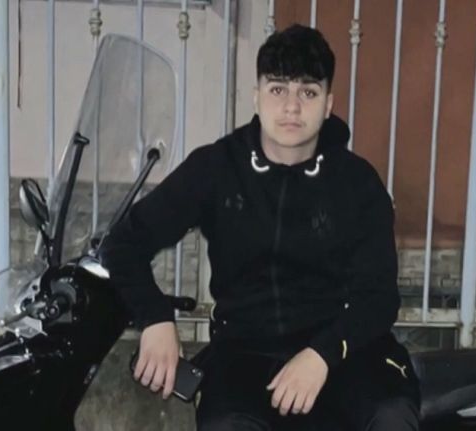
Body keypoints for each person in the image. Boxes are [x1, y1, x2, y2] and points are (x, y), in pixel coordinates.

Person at [101, 24, 421, 431]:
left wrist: (320, 356)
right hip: (245, 351)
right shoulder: (217, 168)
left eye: (308, 92)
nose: (292, 107)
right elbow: (123, 244)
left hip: (343, 351)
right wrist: (155, 318)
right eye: (278, 89)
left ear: (328, 104)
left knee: (391, 415)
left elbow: (378, 297)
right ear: (256, 97)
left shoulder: (357, 183)